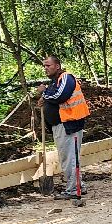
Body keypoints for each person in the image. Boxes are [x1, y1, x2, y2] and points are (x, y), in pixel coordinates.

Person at [38, 54, 90, 201]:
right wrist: (46, 95)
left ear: (57, 66)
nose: (45, 68)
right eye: (44, 66)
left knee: (69, 158)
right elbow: (54, 96)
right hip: (60, 125)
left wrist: (44, 92)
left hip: (69, 125)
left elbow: (61, 96)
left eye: (48, 65)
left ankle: (74, 189)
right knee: (68, 157)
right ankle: (79, 185)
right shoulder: (55, 82)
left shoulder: (66, 77)